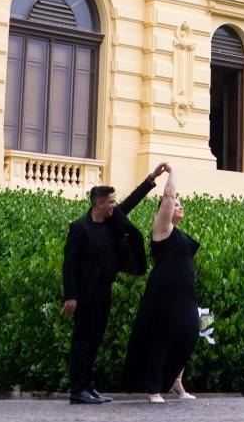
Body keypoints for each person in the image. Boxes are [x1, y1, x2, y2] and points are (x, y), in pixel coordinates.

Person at [62, 162, 169, 405]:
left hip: (103, 291)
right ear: (98, 203)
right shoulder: (79, 228)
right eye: (110, 202)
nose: (114, 205)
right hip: (85, 294)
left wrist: (152, 178)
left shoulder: (111, 222)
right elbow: (69, 265)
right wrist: (71, 296)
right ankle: (77, 390)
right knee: (82, 342)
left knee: (96, 340)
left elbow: (132, 201)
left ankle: (89, 387)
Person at [122, 162, 203, 402]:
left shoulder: (179, 233)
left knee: (189, 332)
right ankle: (154, 389)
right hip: (164, 293)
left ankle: (177, 382)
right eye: (175, 205)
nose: (178, 205)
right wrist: (172, 173)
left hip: (184, 294)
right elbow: (168, 195)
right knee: (163, 337)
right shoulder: (162, 228)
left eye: (180, 205)